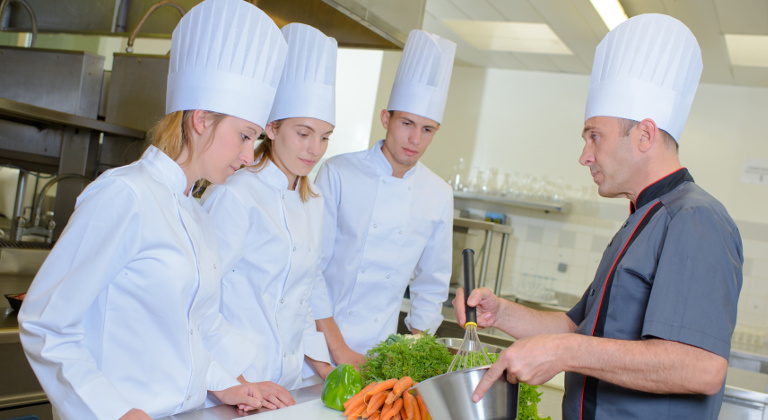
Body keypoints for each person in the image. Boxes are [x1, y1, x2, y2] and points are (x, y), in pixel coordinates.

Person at [453, 14, 743, 420]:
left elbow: (702, 367)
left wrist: (565, 352)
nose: (584, 156)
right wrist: (501, 313)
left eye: (594, 136)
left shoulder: (696, 219)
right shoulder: (640, 219)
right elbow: (578, 329)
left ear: (644, 135)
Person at [17, 0, 288, 418]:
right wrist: (118, 412)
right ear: (201, 119)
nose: (250, 156)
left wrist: (228, 385)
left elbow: (184, 332)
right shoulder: (125, 195)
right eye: (245, 136)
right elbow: (46, 324)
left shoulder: (196, 214)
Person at [200, 22, 335, 405]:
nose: (315, 149)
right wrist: (241, 383)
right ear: (272, 128)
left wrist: (326, 368)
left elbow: (301, 300)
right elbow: (200, 303)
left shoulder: (313, 202)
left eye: (325, 137)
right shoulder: (236, 195)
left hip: (285, 385)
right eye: (304, 133)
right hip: (233, 389)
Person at [313, 29, 457, 365]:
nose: (415, 139)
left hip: (381, 355)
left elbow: (431, 285)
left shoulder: (437, 193)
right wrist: (339, 351)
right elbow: (313, 269)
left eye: (427, 129)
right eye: (407, 123)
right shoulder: (338, 173)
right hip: (317, 347)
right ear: (385, 119)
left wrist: (411, 356)